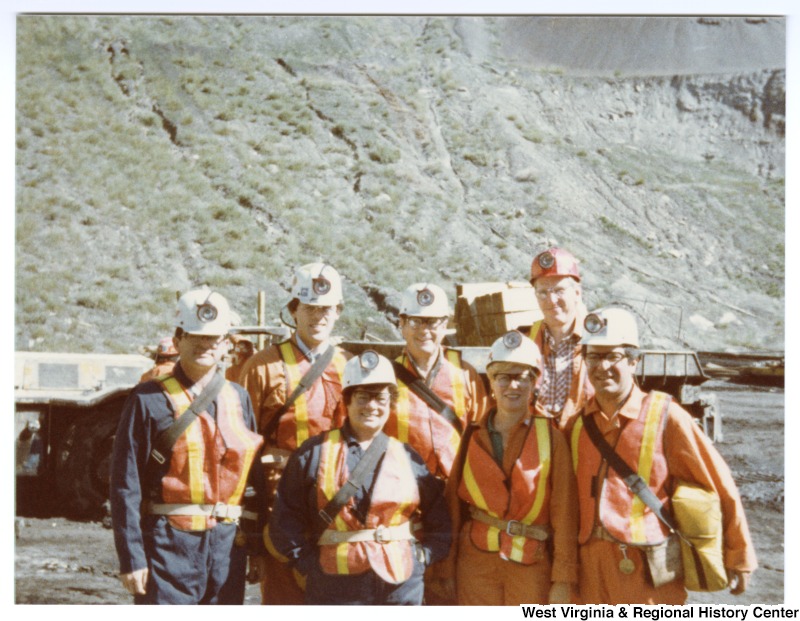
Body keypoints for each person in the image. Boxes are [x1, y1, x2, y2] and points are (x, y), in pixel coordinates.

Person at [571, 306, 757, 604]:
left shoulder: (666, 416)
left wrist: (739, 555)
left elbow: (719, 485)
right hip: (589, 570)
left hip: (648, 572)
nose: (601, 365)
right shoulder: (579, 425)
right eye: (593, 356)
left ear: (634, 361)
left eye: (612, 356)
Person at [110, 287, 266, 604]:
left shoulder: (239, 397)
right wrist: (131, 556)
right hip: (168, 545)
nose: (204, 345)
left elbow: (253, 482)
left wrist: (257, 548)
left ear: (226, 346)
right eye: (194, 335)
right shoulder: (147, 398)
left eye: (214, 338)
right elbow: (126, 483)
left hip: (226, 546)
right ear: (178, 340)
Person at [268, 350, 452, 605]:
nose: (372, 406)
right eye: (363, 397)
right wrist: (307, 563)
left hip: (400, 585)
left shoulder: (407, 456)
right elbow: (285, 517)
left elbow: (439, 516)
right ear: (347, 402)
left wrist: (423, 556)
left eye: (380, 398)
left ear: (390, 404)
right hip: (334, 584)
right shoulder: (313, 453)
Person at [238, 262, 352, 604]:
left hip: (334, 514)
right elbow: (242, 453)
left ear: (338, 313)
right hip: (278, 512)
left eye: (326, 309)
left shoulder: (350, 366)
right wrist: (253, 536)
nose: (318, 317)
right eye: (309, 308)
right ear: (293, 310)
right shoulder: (261, 367)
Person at [442, 330, 578, 605]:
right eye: (503, 377)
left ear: (534, 382)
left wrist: (562, 581)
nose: (512, 386)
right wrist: (447, 570)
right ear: (490, 381)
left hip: (530, 565)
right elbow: (453, 508)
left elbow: (565, 514)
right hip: (475, 564)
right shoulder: (473, 435)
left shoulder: (552, 437)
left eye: (521, 377)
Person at [386, 283, 488, 603]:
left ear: (446, 325)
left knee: (455, 589)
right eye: (415, 321)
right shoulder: (384, 379)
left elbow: (484, 442)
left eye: (433, 322)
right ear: (401, 324)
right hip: (403, 508)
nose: (424, 331)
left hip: (456, 502)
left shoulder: (466, 376)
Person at [527, 247, 593, 430]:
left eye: (559, 290)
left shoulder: (598, 341)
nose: (551, 300)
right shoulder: (525, 341)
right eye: (543, 292)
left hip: (582, 444)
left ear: (577, 294)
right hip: (537, 447)